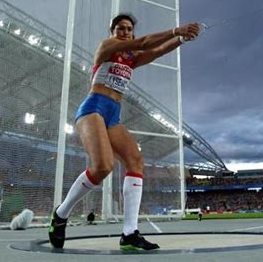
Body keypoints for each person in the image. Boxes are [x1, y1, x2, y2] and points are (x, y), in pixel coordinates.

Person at [48, 13, 200, 251]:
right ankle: (61, 213)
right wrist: (175, 30)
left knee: (135, 161)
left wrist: (182, 39)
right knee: (103, 167)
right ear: (112, 32)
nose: (125, 32)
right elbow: (143, 43)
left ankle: (129, 233)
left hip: (113, 114)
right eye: (120, 28)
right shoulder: (107, 47)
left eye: (128, 29)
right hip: (93, 108)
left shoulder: (131, 59)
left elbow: (155, 51)